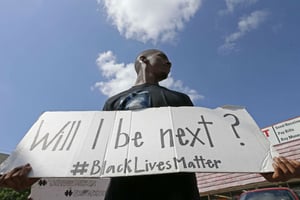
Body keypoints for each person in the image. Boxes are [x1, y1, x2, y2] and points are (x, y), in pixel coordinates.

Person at [1, 49, 300, 198]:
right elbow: (93, 155)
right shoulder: (114, 102)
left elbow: (209, 142)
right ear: (144, 60)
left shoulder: (181, 98)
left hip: (179, 193)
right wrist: (37, 175)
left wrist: (259, 161)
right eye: (164, 58)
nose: (170, 64)